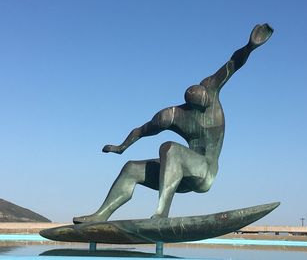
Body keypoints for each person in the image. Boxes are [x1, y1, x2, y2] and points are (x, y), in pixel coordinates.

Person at [73, 23, 273, 224]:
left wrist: (250, 46)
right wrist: (121, 148)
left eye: (207, 100)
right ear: (189, 105)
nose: (207, 104)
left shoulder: (211, 86)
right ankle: (101, 215)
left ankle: (161, 214)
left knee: (170, 149)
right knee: (131, 168)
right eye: (200, 104)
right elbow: (142, 130)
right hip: (178, 176)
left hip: (205, 172)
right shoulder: (172, 115)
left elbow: (233, 63)